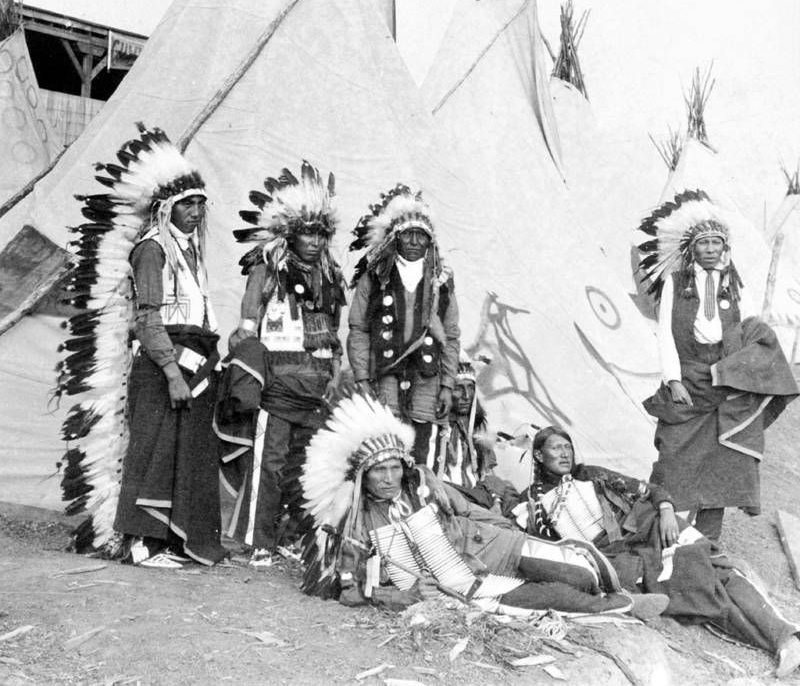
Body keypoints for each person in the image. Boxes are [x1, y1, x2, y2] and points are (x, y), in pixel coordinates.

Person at [299, 395, 669, 618]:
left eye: (395, 467)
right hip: (461, 584)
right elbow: (350, 590)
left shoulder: (424, 485)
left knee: (579, 572)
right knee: (546, 599)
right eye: (380, 470)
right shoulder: (357, 523)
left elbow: (467, 509)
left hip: (492, 545)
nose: (389, 477)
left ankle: (615, 588)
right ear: (364, 475)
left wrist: (505, 528)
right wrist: (403, 596)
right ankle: (622, 606)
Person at [59, 124, 226, 568]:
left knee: (180, 452)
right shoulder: (153, 250)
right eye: (186, 204)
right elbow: (148, 316)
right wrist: (171, 372)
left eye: (199, 204)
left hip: (192, 355)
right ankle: (139, 545)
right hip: (161, 362)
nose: (194, 211)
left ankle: (170, 541)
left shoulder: (190, 251)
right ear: (166, 208)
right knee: (152, 449)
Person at [512, 425, 800, 678]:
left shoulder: (590, 474)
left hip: (643, 529)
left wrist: (665, 509)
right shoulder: (530, 503)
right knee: (694, 585)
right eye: (556, 448)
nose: (565, 454)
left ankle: (784, 634)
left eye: (568, 447)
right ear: (539, 455)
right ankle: (779, 642)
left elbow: (648, 489)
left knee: (714, 568)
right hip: (609, 557)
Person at [637, 189, 798, 540]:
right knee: (674, 457)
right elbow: (665, 334)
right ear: (690, 248)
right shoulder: (674, 283)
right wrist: (674, 380)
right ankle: (664, 537)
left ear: (724, 248)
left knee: (721, 463)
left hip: (724, 384)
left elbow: (749, 328)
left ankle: (707, 544)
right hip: (689, 380)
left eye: (716, 243)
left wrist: (743, 369)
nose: (710, 249)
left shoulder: (735, 286)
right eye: (703, 243)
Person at [216, 162, 346, 567]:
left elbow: (334, 336)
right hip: (277, 387)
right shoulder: (268, 270)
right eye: (307, 231)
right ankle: (258, 540)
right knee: (268, 464)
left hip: (315, 385)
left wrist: (332, 374)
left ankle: (296, 537)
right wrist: (257, 378)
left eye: (320, 233)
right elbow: (246, 332)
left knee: (307, 465)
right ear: (290, 232)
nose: (313, 240)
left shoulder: (331, 276)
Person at [347, 186, 460, 465]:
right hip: (386, 375)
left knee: (424, 453)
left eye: (420, 235)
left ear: (429, 241)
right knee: (387, 447)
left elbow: (452, 336)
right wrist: (362, 376)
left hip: (428, 377)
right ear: (395, 238)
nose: (413, 241)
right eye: (407, 234)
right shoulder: (375, 277)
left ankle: (422, 504)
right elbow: (358, 328)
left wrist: (447, 384)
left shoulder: (441, 283)